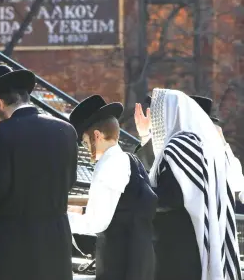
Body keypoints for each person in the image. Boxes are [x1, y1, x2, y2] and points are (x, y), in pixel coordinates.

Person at [0, 65, 78, 280]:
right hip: (57, 238)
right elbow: (70, 181)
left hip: (16, 243)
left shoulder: (0, 133)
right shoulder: (66, 130)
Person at [138, 88, 241, 280]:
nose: (155, 120)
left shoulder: (181, 145)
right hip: (192, 239)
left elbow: (172, 197)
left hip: (178, 243)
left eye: (158, 113)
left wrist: (134, 192)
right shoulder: (197, 144)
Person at [67, 95, 156, 280]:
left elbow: (98, 222)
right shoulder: (128, 159)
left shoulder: (110, 165)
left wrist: (61, 218)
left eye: (84, 141)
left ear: (96, 136)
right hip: (134, 260)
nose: (85, 147)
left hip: (121, 264)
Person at [135, 95, 244, 204]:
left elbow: (236, 182)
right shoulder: (175, 148)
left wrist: (222, 144)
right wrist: (145, 135)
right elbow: (152, 171)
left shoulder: (211, 155)